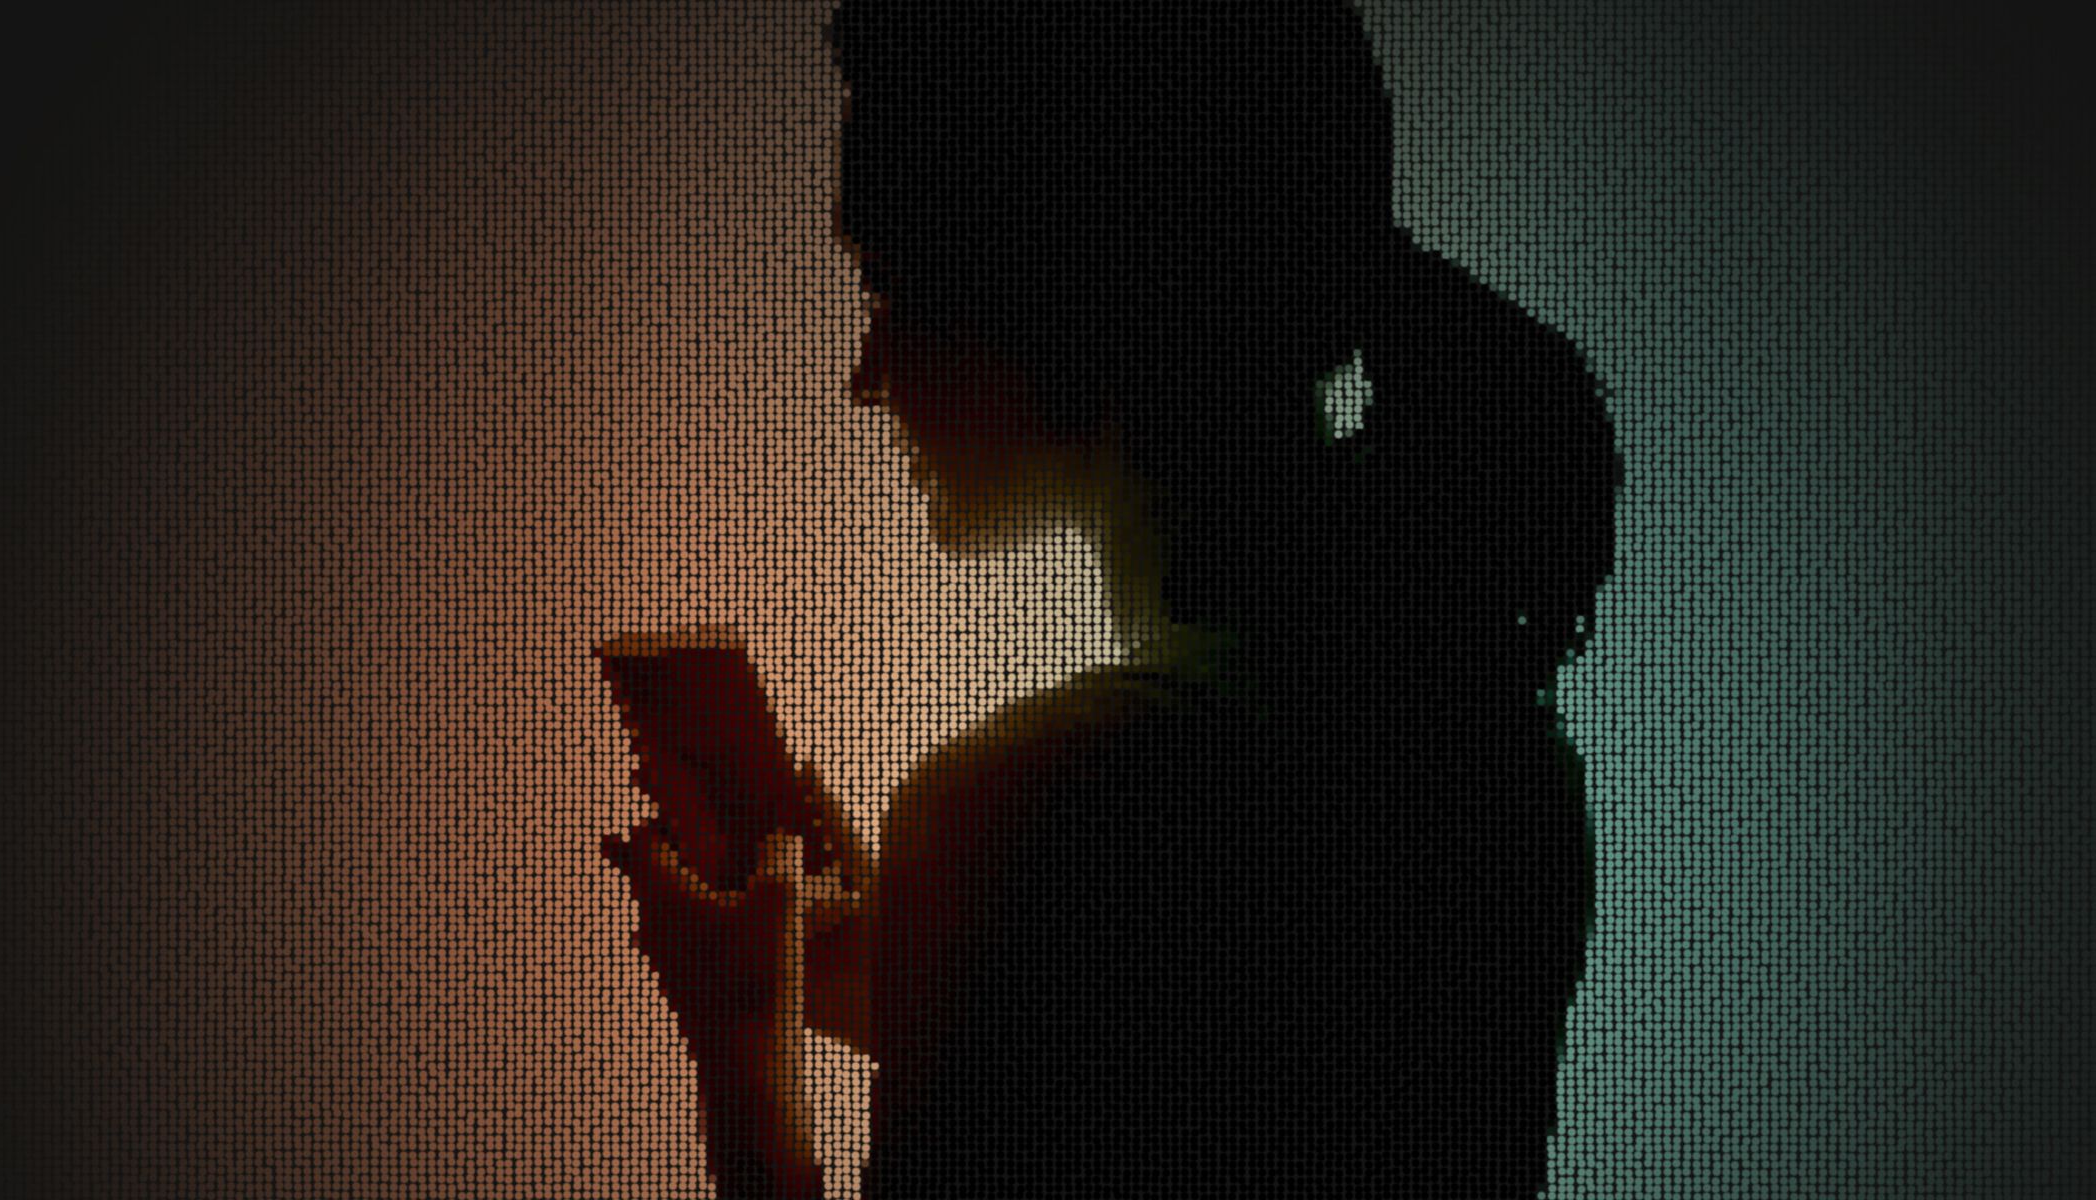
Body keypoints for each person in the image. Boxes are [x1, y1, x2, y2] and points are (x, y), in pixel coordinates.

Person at [611, 3, 1622, 1196]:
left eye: (886, 283)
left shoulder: (1035, 798)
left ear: (1052, 289)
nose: (864, 377)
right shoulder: (1492, 753)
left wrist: (739, 1033)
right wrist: (919, 974)